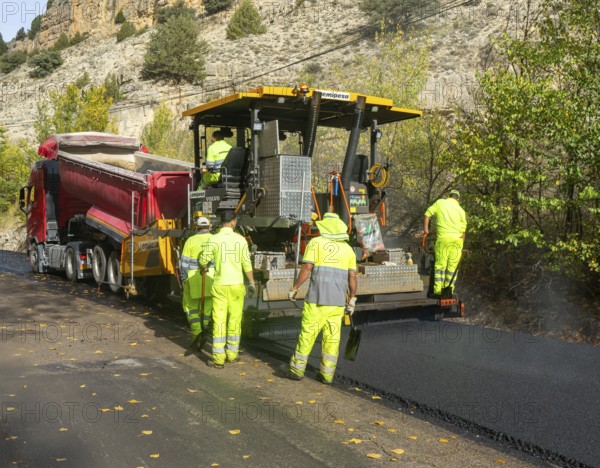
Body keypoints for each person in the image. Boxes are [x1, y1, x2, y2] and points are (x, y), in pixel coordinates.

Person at [286, 212, 357, 385]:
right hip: (337, 302)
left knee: (307, 334)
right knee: (332, 338)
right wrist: (353, 299)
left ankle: (297, 371)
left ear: (324, 226)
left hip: (316, 300)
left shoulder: (316, 243)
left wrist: (295, 288)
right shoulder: (348, 249)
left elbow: (307, 268)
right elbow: (353, 277)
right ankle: (326, 375)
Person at [199, 210, 256, 368]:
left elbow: (204, 259)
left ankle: (218, 358)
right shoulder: (240, 240)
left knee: (219, 320)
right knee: (235, 320)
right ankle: (232, 354)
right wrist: (251, 282)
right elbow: (246, 263)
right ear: (233, 222)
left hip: (220, 286)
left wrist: (203, 267)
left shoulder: (214, 239)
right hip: (237, 285)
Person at [423, 189, 467, 298]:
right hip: (457, 241)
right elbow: (463, 232)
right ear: (458, 199)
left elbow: (427, 214)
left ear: (449, 196)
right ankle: (449, 291)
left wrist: (426, 230)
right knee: (452, 268)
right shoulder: (461, 210)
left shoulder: (440, 203)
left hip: (443, 240)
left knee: (440, 266)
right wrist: (461, 245)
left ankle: (438, 292)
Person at [179, 215, 214, 349]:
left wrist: (184, 281)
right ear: (209, 227)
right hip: (211, 278)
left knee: (190, 307)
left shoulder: (190, 241)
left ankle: (197, 332)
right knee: (207, 306)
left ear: (196, 227)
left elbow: (184, 264)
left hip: (193, 279)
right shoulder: (214, 239)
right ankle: (205, 327)